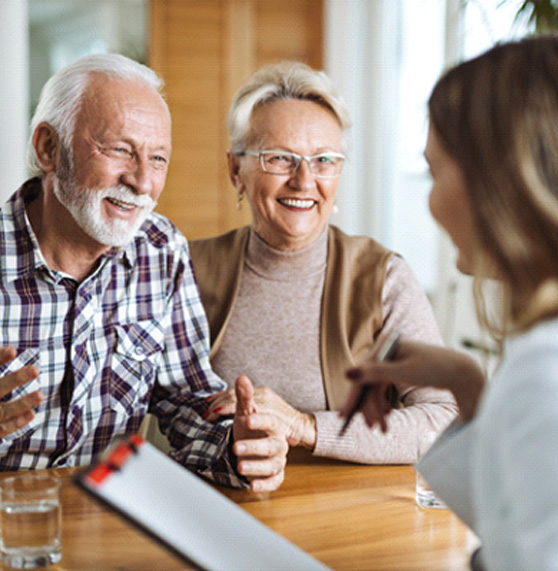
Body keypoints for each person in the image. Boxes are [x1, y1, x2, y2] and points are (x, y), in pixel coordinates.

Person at [0, 53, 289, 492]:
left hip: (108, 517)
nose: (141, 181)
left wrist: (236, 446)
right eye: (119, 149)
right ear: (49, 148)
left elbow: (186, 400)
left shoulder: (160, 249)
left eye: (157, 159)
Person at [341, 37, 558, 569]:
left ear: (497, 181)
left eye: (435, 173)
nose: (431, 202)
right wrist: (467, 384)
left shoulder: (543, 373)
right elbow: (521, 516)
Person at [190, 61, 457, 464]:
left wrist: (304, 426)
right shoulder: (184, 270)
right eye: (279, 158)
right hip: (223, 507)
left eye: (324, 161)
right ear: (235, 170)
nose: (303, 180)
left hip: (346, 517)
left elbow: (445, 420)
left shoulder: (384, 278)